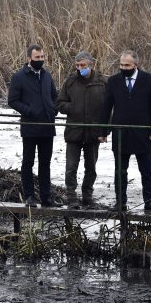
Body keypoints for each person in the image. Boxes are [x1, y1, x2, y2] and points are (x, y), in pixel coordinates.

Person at [98, 50, 151, 212]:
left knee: (147, 171)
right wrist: (103, 131)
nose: (123, 68)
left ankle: (149, 202)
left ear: (136, 65)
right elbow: (106, 107)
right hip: (121, 134)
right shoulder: (113, 81)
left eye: (127, 65)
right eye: (121, 65)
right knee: (120, 171)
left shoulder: (149, 80)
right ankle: (120, 202)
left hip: (144, 133)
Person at [8, 44, 60, 207]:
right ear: (29, 58)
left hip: (47, 126)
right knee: (27, 163)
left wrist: (53, 110)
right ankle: (29, 196)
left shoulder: (46, 75)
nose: (40, 60)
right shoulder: (19, 77)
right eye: (37, 57)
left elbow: (54, 95)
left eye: (42, 57)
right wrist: (29, 111)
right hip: (30, 127)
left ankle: (46, 197)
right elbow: (12, 100)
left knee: (45, 163)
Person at [56, 51, 108, 209]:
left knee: (91, 167)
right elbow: (59, 103)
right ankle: (71, 197)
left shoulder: (103, 82)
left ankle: (87, 196)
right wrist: (73, 107)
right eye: (77, 66)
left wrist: (105, 131)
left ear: (91, 65)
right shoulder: (70, 82)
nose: (80, 68)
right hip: (74, 131)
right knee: (71, 167)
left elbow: (109, 108)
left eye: (83, 65)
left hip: (94, 133)